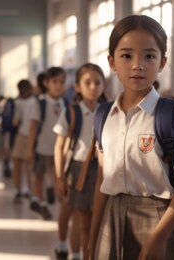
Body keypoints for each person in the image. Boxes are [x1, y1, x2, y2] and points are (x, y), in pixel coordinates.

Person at [88, 15, 174, 259]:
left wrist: (160, 236)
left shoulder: (172, 115)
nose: (137, 65)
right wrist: (91, 240)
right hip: (113, 216)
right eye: (126, 55)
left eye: (149, 56)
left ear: (161, 63)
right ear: (112, 62)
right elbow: (101, 183)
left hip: (162, 217)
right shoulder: (104, 115)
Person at [53, 63, 106, 260]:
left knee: (98, 222)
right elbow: (59, 147)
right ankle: (79, 254)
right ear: (77, 87)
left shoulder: (108, 111)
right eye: (87, 82)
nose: (93, 87)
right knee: (83, 220)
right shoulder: (71, 112)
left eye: (97, 82)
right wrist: (59, 177)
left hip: (103, 169)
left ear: (104, 85)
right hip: (78, 169)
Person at [26, 67, 66, 220]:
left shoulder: (66, 103)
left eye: (61, 82)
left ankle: (61, 205)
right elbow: (33, 127)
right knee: (39, 177)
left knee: (58, 177)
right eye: (55, 81)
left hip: (60, 150)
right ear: (46, 83)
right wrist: (29, 149)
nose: (58, 85)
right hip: (42, 148)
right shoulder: (40, 103)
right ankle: (41, 203)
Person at [11, 79, 35, 203]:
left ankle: (18, 190)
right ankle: (31, 191)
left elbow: (15, 121)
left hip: (21, 135)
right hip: (32, 136)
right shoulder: (35, 101)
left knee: (17, 164)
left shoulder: (18, 102)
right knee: (29, 165)